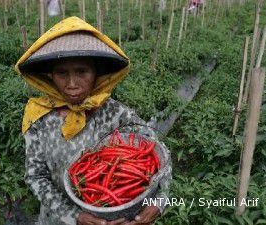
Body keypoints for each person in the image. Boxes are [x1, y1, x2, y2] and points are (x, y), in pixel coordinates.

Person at [15, 16, 172, 225]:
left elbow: (159, 153)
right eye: (62, 73)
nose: (72, 83)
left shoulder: (115, 113)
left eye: (82, 72)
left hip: (116, 215)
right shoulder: (39, 118)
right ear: (50, 76)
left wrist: (159, 201)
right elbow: (36, 177)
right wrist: (74, 215)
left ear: (96, 73)